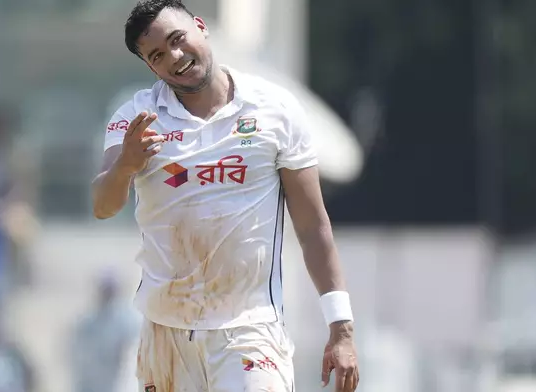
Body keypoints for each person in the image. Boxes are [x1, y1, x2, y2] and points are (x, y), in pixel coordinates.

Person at [91, 1, 360, 391]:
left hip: (250, 330)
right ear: (151, 68)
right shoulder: (136, 118)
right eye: (158, 56)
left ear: (200, 27)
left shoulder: (275, 110)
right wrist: (126, 164)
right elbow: (103, 205)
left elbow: (313, 225)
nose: (176, 57)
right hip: (167, 335)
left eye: (178, 39)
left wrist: (342, 326)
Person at [68, 273, 140, 392]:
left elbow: (131, 357)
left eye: (110, 291)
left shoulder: (129, 321)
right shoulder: (88, 323)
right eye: (105, 290)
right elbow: (76, 357)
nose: (108, 295)